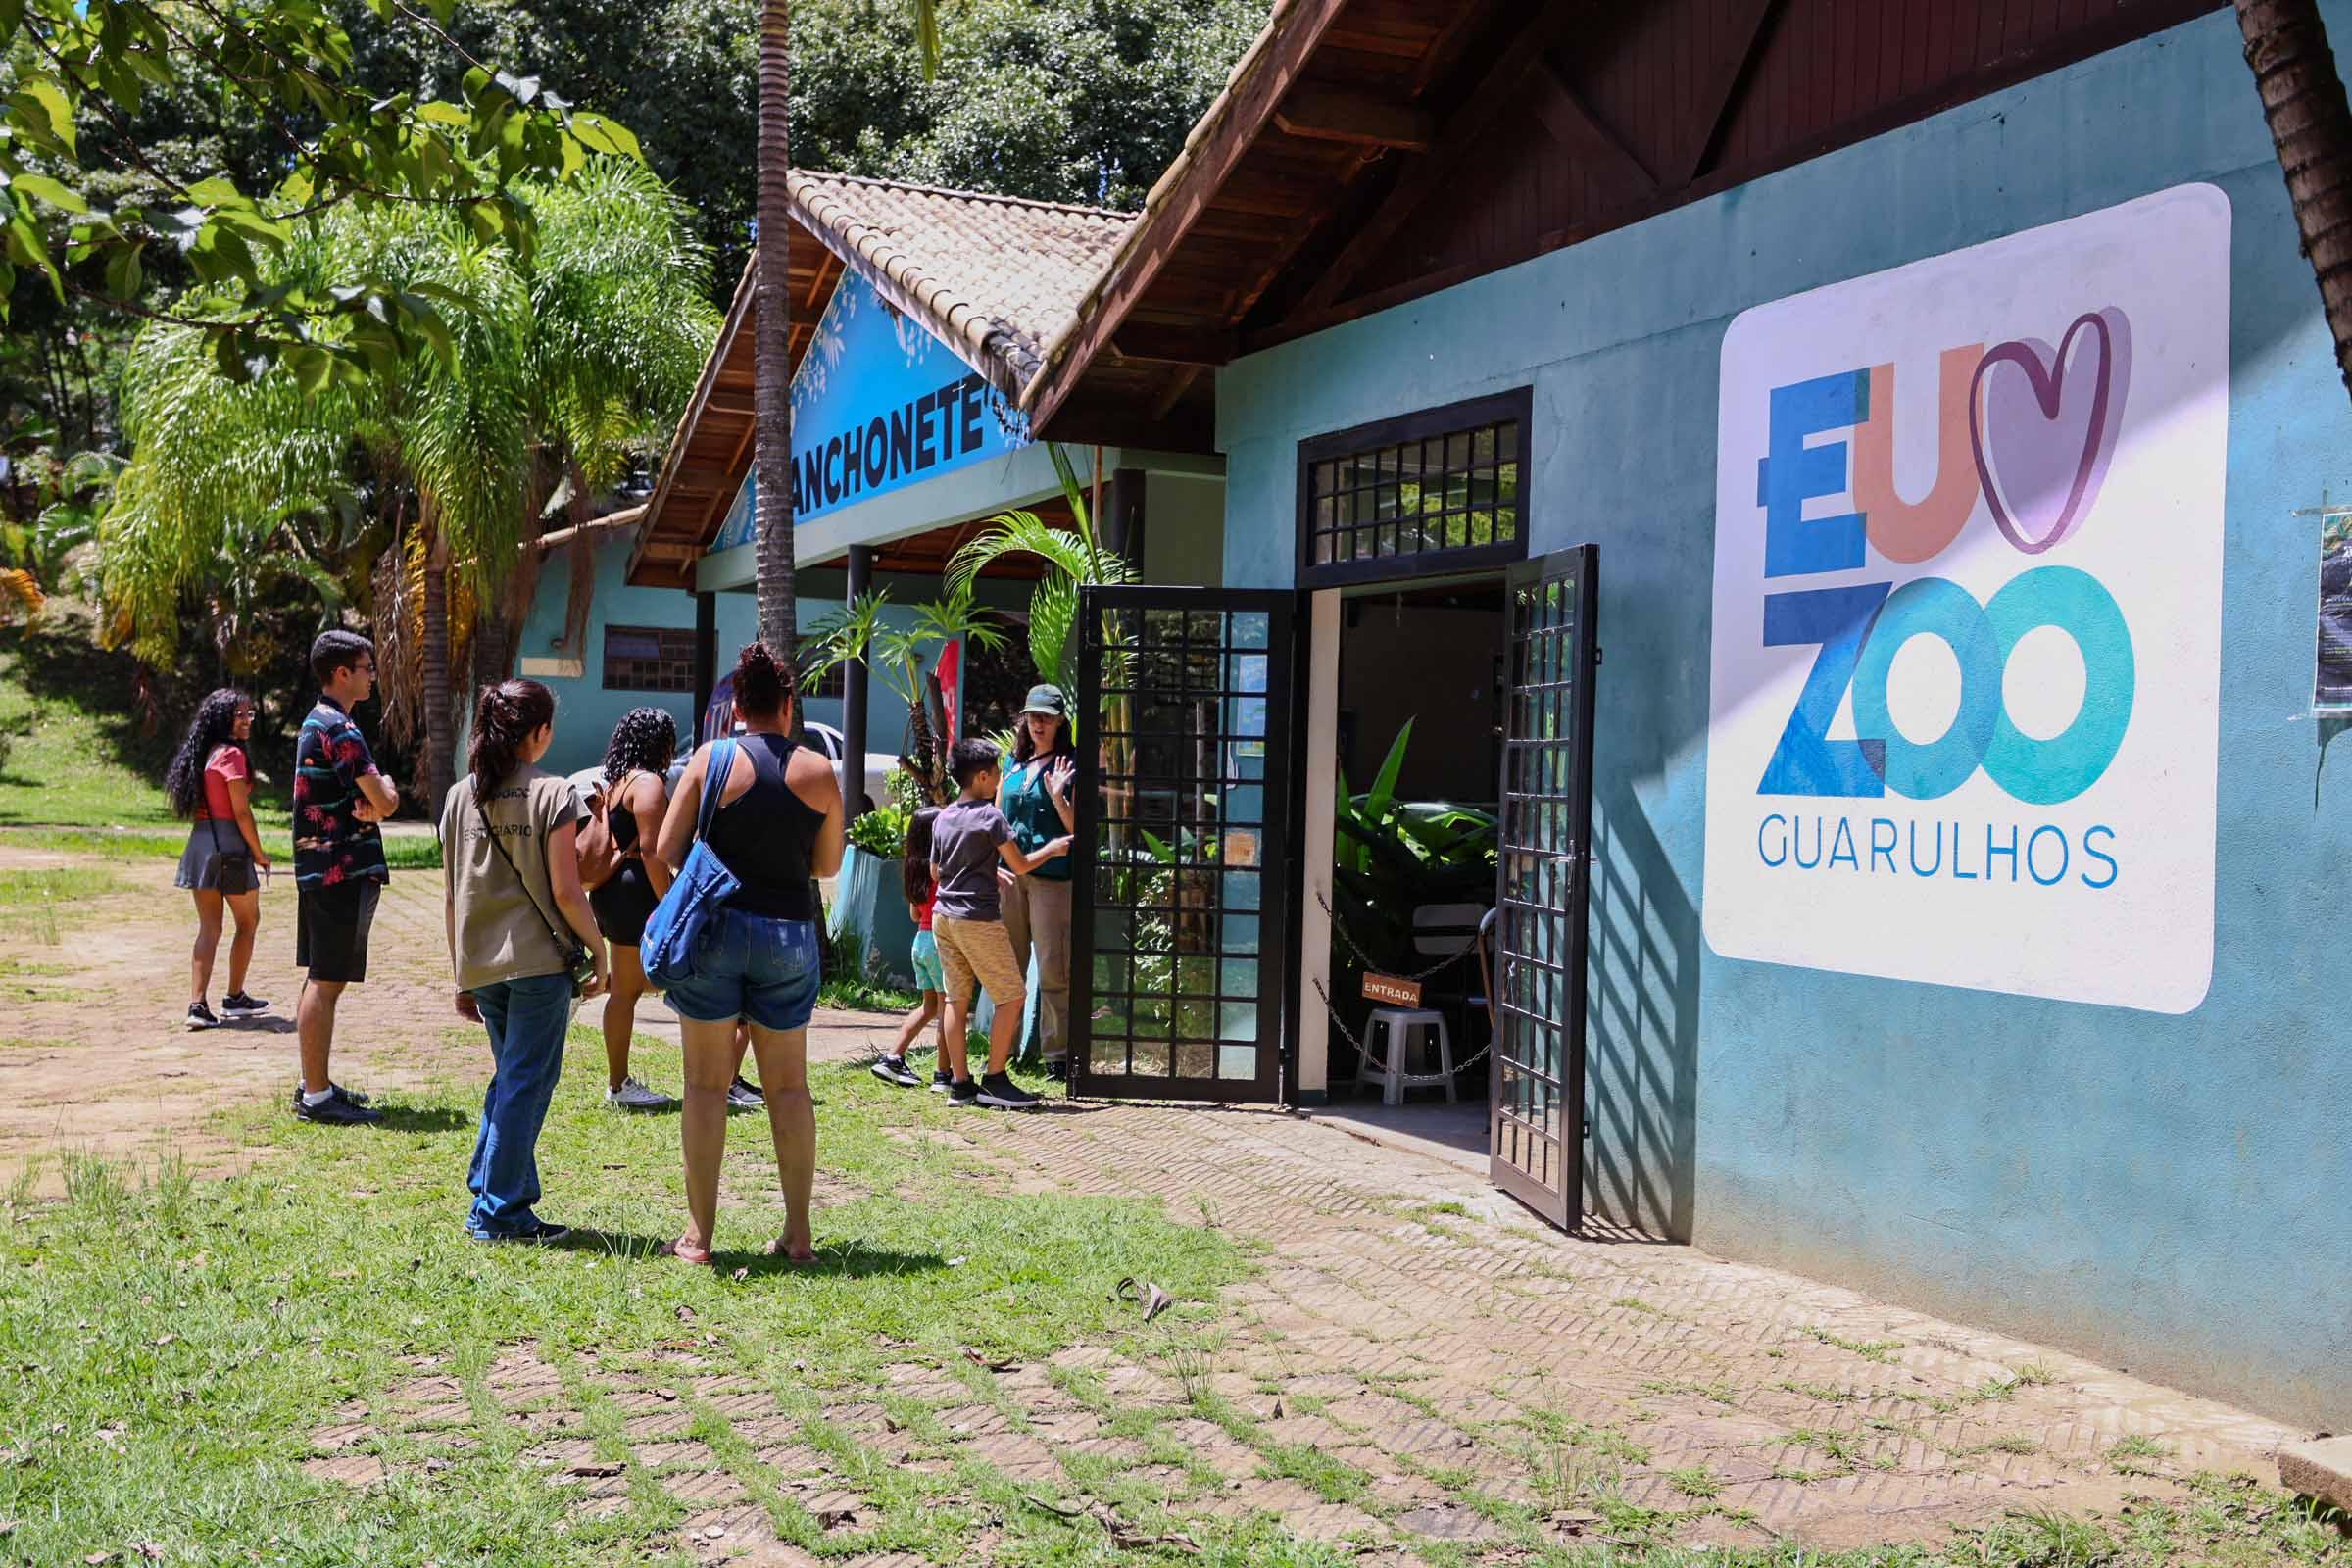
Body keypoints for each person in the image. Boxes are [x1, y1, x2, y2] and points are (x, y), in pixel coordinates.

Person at [653, 642, 844, 1264]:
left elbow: (666, 847)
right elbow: (827, 865)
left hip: (715, 929)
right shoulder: (819, 771)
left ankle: (698, 1237)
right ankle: (798, 1234)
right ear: (789, 706)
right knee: (788, 1088)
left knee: (705, 1087)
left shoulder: (710, 758)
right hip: (788, 935)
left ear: (737, 707)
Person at [439, 678, 609, 1244]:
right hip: (538, 964)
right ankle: (500, 1211)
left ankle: (491, 1187)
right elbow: (567, 890)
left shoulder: (459, 796)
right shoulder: (554, 792)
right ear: (539, 732)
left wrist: (460, 974)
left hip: (482, 963)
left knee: (512, 1078)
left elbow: (451, 893)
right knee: (525, 1083)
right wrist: (600, 949)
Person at [290, 630, 399, 1126]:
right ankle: (317, 1096)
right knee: (327, 979)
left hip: (322, 869)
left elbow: (362, 800)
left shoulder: (319, 721)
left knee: (321, 976)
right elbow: (385, 800)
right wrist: (385, 794)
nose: (373, 676)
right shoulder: (340, 728)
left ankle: (315, 1083)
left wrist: (373, 803)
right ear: (341, 673)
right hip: (341, 870)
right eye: (367, 668)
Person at [932, 738, 1070, 1110]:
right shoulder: (991, 817)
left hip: (943, 917)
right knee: (1012, 996)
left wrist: (984, 871)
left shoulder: (944, 816)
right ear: (981, 776)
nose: (1000, 780)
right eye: (995, 773)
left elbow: (937, 871)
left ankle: (959, 1084)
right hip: (977, 919)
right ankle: (995, 1079)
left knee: (956, 999)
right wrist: (1052, 849)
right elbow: (1021, 865)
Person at [587, 708, 682, 1113]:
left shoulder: (616, 783)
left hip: (610, 893)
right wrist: (671, 904)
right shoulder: (648, 784)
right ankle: (619, 1083)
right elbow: (651, 852)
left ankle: (618, 1081)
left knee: (627, 988)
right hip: (635, 894)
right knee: (634, 989)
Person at [167, 688, 271, 1031]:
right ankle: (234, 997)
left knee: (209, 928)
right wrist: (259, 853)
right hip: (229, 846)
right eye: (238, 714)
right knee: (248, 922)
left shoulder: (206, 752)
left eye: (249, 714)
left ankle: (197, 1005)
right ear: (221, 718)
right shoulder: (232, 755)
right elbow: (241, 812)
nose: (246, 720)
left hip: (200, 843)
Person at [998, 685, 1078, 1080]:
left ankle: (1057, 1056)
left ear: (1061, 721)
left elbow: (1081, 829)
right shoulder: (1012, 763)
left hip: (1052, 881)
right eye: (1032, 716)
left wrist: (1059, 796)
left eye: (1046, 717)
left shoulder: (1071, 765)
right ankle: (1003, 1051)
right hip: (1010, 878)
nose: (1038, 723)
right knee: (1008, 967)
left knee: (1052, 969)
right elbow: (995, 817)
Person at [870, 807, 944, 1089]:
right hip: (938, 941)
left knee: (928, 1007)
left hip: (920, 942)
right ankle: (944, 1074)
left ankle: (893, 1057)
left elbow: (915, 914)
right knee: (947, 1010)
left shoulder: (912, 869)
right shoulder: (940, 870)